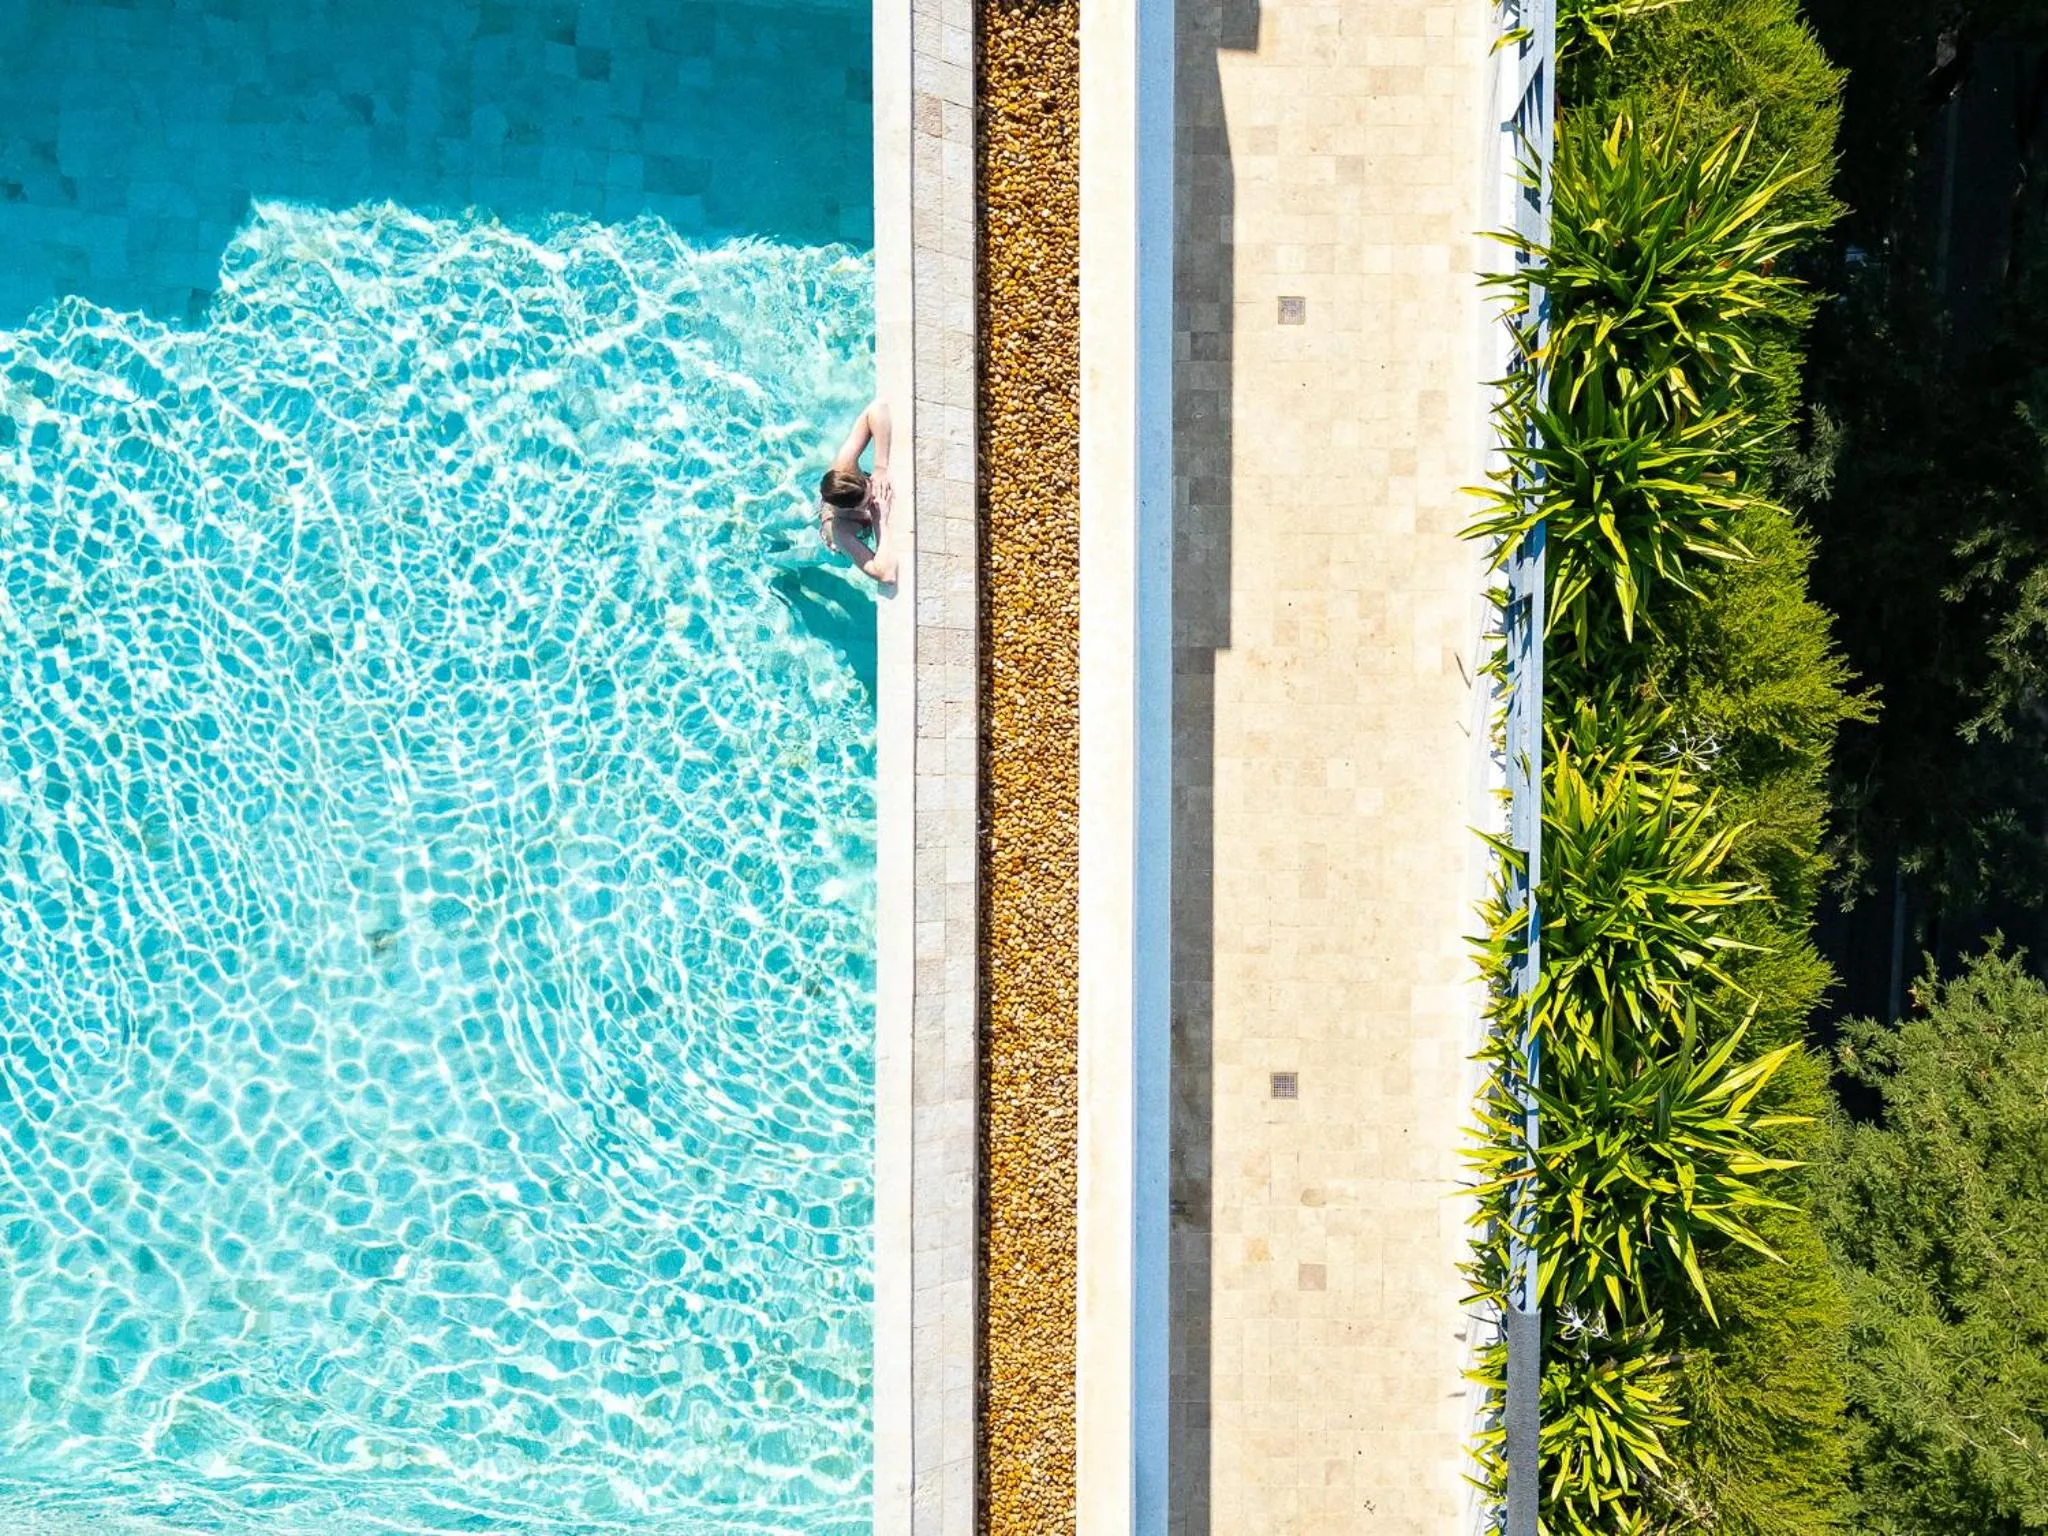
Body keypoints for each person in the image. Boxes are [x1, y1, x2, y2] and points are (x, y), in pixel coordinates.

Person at [816, 400, 898, 585]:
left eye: (868, 483)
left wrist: (880, 467)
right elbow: (887, 575)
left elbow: (877, 408)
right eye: (868, 500)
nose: (874, 492)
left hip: (835, 494)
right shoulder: (841, 531)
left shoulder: (845, 467)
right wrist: (879, 522)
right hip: (835, 548)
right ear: (853, 508)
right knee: (826, 558)